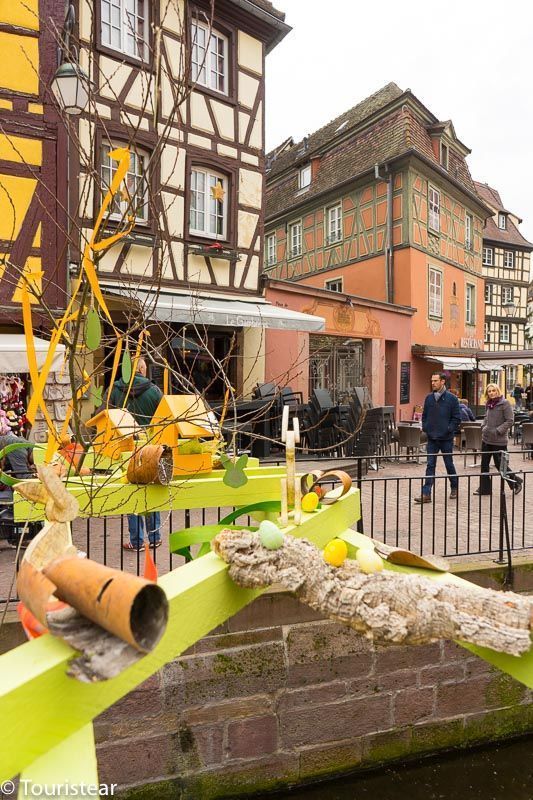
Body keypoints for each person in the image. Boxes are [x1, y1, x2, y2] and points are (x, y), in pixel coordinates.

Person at [108, 357, 164, 550]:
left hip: (126, 447)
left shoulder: (114, 390)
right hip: (150, 446)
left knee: (131, 490)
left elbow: (109, 417)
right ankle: (155, 536)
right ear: (141, 369)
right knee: (150, 485)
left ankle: (136, 540)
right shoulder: (154, 390)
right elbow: (164, 417)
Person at [414, 372, 460, 504]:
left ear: (442, 382)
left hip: (446, 439)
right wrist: (426, 427)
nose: (432, 383)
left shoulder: (452, 399)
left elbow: (456, 418)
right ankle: (426, 494)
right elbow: (425, 415)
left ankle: (454, 487)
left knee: (449, 464)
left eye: (435, 381)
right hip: (432, 438)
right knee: (430, 465)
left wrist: (448, 429)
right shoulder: (429, 398)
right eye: (432, 381)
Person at [474, 383, 522, 496]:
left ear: (497, 391)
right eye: (489, 391)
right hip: (486, 439)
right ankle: (485, 489)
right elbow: (486, 417)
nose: (491, 393)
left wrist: (498, 430)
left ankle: (516, 482)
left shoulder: (505, 403)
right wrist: (484, 426)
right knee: (484, 464)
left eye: (493, 390)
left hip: (499, 440)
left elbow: (510, 420)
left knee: (500, 465)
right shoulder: (488, 403)